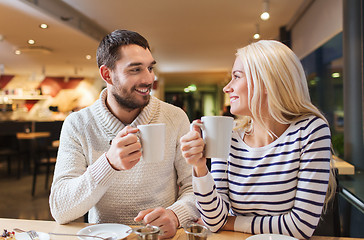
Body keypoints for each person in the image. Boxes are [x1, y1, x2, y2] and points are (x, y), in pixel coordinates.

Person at [49, 29, 199, 239]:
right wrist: (108, 163)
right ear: (107, 74)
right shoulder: (78, 124)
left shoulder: (175, 117)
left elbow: (195, 189)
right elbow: (60, 210)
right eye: (135, 70)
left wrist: (175, 215)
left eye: (150, 68)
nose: (149, 79)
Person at [180, 40, 335, 239]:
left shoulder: (310, 130)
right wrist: (200, 168)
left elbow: (301, 226)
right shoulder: (229, 137)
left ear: (267, 82)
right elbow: (214, 220)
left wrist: (231, 222)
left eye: (236, 77)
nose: (227, 88)